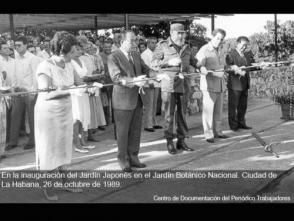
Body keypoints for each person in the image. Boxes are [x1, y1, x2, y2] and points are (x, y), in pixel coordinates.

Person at [35, 31, 101, 200]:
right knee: (49, 150)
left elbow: (80, 84)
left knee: (64, 147)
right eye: (71, 52)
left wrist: (90, 87)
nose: (74, 55)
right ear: (60, 51)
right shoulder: (45, 66)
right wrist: (70, 90)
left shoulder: (70, 65)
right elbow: (46, 94)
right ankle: (47, 187)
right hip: (48, 114)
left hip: (65, 111)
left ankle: (66, 182)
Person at [151, 23, 197, 154]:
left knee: (182, 114)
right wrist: (168, 62)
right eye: (179, 33)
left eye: (183, 33)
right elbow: (153, 63)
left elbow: (193, 61)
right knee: (168, 115)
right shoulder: (162, 46)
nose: (182, 35)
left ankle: (181, 141)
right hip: (169, 84)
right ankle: (169, 141)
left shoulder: (186, 46)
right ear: (172, 33)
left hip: (183, 84)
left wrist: (201, 65)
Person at [108, 30, 150, 172]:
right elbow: (116, 78)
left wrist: (158, 74)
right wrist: (134, 81)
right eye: (131, 41)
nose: (134, 43)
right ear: (122, 42)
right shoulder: (113, 57)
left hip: (136, 99)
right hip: (122, 100)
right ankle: (123, 160)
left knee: (135, 131)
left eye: (135, 40)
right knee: (123, 132)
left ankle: (133, 157)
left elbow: (146, 69)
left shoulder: (136, 55)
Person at [6, 36, 43, 151]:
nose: (17, 48)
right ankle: (13, 142)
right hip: (18, 91)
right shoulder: (16, 59)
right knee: (15, 116)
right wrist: (13, 88)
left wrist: (32, 92)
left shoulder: (33, 58)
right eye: (15, 46)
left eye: (19, 45)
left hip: (30, 92)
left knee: (32, 118)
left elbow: (36, 77)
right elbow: (15, 75)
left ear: (26, 45)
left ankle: (32, 140)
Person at [225, 36, 268, 131]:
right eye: (243, 45)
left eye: (246, 45)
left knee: (243, 106)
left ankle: (241, 123)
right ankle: (233, 126)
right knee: (233, 106)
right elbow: (228, 68)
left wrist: (260, 66)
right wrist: (237, 71)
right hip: (235, 85)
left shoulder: (246, 55)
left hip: (245, 84)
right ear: (237, 43)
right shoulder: (231, 54)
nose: (244, 47)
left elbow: (250, 67)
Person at [196, 28, 229, 143]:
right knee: (208, 111)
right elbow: (199, 65)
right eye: (217, 38)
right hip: (209, 85)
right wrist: (203, 68)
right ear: (212, 36)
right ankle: (209, 134)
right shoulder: (205, 49)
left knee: (218, 111)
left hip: (220, 85)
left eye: (221, 39)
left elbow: (223, 66)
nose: (219, 41)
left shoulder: (220, 50)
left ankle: (218, 132)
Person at [140, 37, 162, 132]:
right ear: (148, 44)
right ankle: (147, 124)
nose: (154, 44)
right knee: (148, 104)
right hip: (148, 83)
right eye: (152, 42)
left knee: (154, 104)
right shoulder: (145, 54)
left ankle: (153, 122)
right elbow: (145, 70)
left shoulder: (155, 54)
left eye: (155, 43)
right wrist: (150, 82)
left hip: (156, 81)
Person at [0, 40, 15, 143]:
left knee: (12, 115)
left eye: (8, 48)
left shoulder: (13, 60)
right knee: (5, 118)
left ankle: (11, 136)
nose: (8, 49)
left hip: (14, 90)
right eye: (5, 48)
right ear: (0, 50)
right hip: (3, 92)